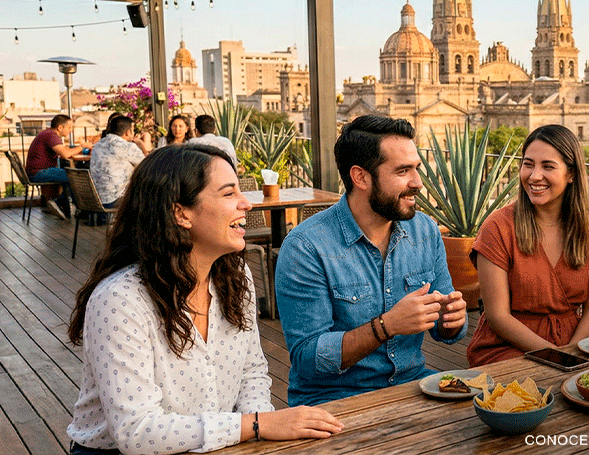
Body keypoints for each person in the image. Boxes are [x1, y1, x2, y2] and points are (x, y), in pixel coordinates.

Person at [65, 144, 343, 455]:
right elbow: (136, 431)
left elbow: (252, 373)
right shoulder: (121, 300)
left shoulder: (235, 276)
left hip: (220, 445)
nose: (245, 203)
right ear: (180, 213)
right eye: (228, 193)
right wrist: (256, 425)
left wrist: (259, 437)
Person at [275, 115, 469, 406]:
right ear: (361, 177)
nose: (417, 182)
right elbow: (307, 358)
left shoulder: (425, 230)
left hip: (415, 386)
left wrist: (452, 320)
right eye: (403, 171)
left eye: (417, 168)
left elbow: (446, 331)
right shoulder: (305, 247)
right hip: (334, 399)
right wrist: (386, 325)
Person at [466, 125, 589, 366]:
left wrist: (572, 353)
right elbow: (498, 317)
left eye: (548, 166)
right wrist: (558, 357)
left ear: (572, 174)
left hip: (574, 344)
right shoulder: (497, 228)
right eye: (528, 164)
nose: (535, 176)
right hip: (508, 347)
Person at [26, 114, 92, 220]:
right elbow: (65, 154)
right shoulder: (51, 135)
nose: (71, 131)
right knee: (75, 177)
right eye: (69, 128)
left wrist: (79, 149)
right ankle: (66, 205)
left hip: (37, 172)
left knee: (72, 176)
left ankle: (67, 207)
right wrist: (82, 146)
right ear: (60, 127)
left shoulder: (48, 134)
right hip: (39, 173)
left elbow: (63, 151)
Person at [90, 115, 151, 210]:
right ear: (128, 132)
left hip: (95, 200)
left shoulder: (98, 145)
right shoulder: (128, 147)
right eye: (133, 130)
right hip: (115, 200)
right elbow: (149, 167)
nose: (134, 133)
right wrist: (142, 146)